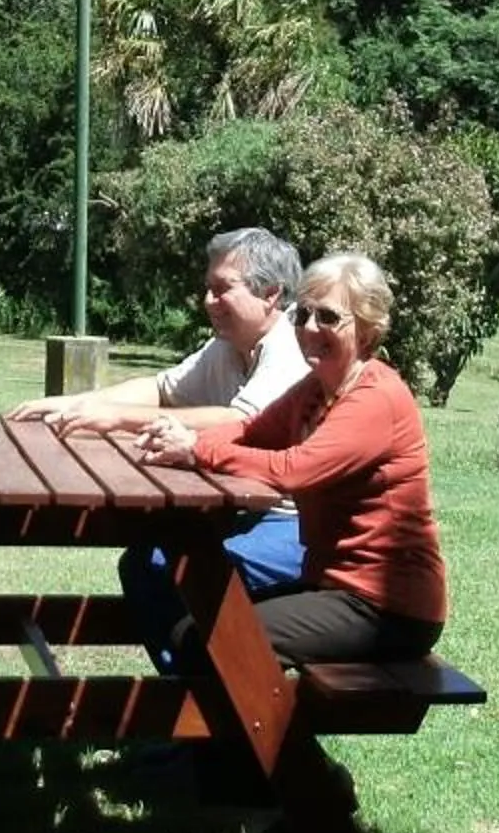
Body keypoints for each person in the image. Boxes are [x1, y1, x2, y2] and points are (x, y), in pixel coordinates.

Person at [131, 248, 447, 668]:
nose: (310, 328)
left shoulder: (376, 397)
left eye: (329, 317)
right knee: (191, 609)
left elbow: (293, 470)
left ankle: (237, 733)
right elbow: (251, 431)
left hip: (385, 606)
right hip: (330, 584)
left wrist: (196, 449)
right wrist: (189, 437)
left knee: (209, 637)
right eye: (302, 315)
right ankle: (208, 729)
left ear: (368, 331)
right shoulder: (316, 389)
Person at [8, 227, 310, 643]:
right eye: (207, 288)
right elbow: (163, 388)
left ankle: (202, 698)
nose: (208, 301)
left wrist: (116, 418)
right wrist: (77, 403)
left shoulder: (290, 349)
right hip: (241, 513)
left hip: (295, 529)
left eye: (222, 289)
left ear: (271, 294)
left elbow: (236, 422)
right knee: (143, 563)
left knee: (166, 570)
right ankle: (189, 693)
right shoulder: (227, 346)